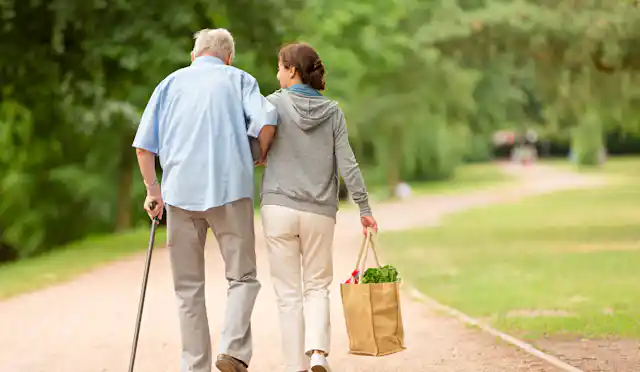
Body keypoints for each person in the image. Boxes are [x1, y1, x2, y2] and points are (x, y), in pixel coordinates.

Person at [132, 28, 277, 372]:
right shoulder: (239, 79)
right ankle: (232, 349)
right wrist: (259, 153)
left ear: (194, 55)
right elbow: (267, 120)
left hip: (180, 195)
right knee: (242, 278)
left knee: (187, 289)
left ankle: (194, 367)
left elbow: (143, 147)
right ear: (228, 57)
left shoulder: (169, 84)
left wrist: (154, 191)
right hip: (230, 191)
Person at [260, 43, 378, 372]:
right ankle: (318, 354)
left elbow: (257, 149)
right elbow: (348, 165)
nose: (277, 74)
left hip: (279, 207)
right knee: (316, 285)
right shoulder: (333, 112)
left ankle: (293, 365)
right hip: (319, 212)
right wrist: (363, 207)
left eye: (281, 67)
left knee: (287, 293)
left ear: (293, 71)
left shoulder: (272, 105)